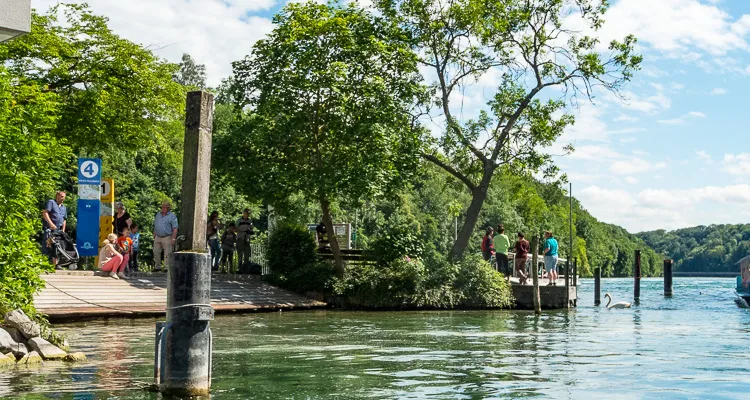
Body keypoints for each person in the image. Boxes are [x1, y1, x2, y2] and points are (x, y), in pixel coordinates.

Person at [41, 191, 67, 267]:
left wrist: (63, 230)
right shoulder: (51, 202)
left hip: (58, 230)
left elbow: (64, 219)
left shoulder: (63, 207)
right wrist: (51, 224)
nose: (63, 198)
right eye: (62, 196)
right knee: (47, 246)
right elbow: (45, 213)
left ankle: (55, 265)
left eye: (64, 197)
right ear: (57, 196)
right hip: (50, 229)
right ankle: (44, 264)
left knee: (57, 247)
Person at [153, 200, 178, 272]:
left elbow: (175, 228)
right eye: (162, 207)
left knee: (167, 252)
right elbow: (156, 224)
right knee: (156, 251)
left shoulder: (172, 216)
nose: (163, 209)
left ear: (168, 208)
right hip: (157, 236)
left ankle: (166, 267)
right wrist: (154, 233)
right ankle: (157, 266)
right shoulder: (158, 214)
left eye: (165, 207)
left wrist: (173, 238)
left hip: (167, 236)